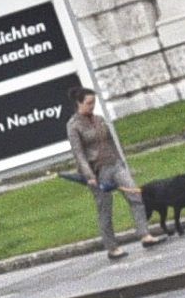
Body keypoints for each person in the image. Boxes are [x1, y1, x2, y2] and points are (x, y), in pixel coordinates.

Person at [64, 87, 157, 260]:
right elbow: (79, 154)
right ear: (79, 103)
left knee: (135, 196)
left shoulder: (99, 120)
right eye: (89, 103)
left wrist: (122, 162)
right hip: (97, 172)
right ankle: (112, 247)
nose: (92, 106)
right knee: (105, 208)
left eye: (94, 103)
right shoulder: (73, 125)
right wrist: (90, 176)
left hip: (114, 164)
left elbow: (112, 142)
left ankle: (145, 235)